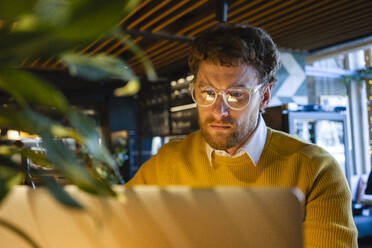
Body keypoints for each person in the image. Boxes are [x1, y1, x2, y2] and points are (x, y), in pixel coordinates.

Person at [126, 23, 357, 247]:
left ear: (265, 96)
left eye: (236, 95)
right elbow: (114, 224)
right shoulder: (168, 161)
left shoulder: (316, 170)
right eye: (207, 92)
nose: (219, 110)